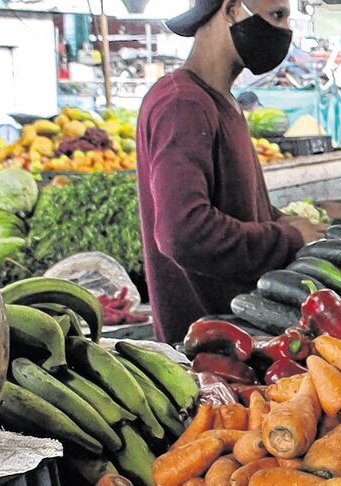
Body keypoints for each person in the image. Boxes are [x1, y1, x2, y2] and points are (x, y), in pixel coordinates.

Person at [137, 0, 323, 343]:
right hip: (206, 350)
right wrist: (289, 239)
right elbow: (184, 233)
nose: (285, 31)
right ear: (233, 8)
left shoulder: (220, 101)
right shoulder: (183, 104)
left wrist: (283, 221)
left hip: (244, 337)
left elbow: (235, 204)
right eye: (278, 15)